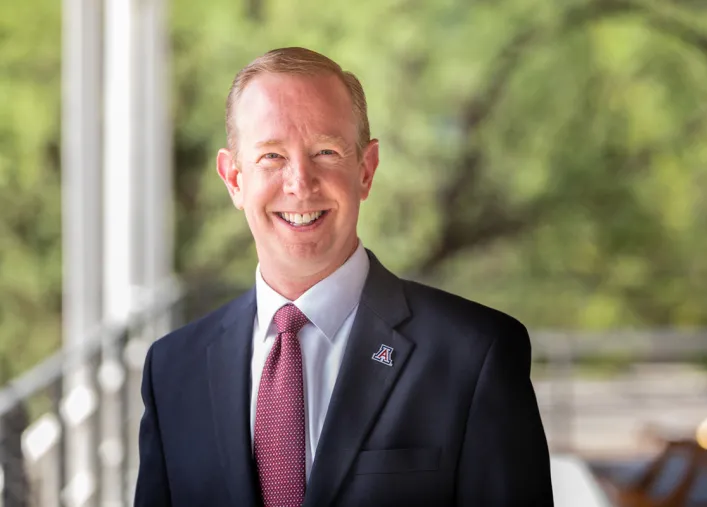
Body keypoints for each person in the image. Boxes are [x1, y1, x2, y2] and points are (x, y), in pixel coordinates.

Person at [135, 47, 553, 507]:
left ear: (366, 170)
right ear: (234, 178)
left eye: (325, 152)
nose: (300, 182)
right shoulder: (173, 371)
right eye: (272, 156)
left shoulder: (476, 355)